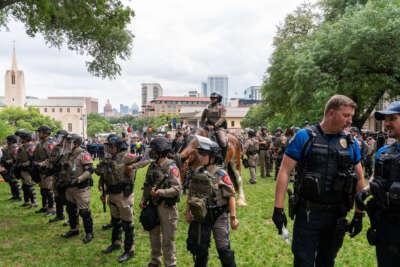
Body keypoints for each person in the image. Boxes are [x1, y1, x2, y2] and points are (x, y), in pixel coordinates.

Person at [273, 95, 365, 267]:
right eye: (346, 115)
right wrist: (278, 209)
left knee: (327, 261)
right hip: (308, 214)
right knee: (303, 261)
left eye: (351, 116)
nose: (350, 121)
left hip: (336, 216)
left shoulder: (351, 143)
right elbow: (284, 171)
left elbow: (360, 179)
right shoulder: (304, 137)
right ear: (331, 113)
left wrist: (359, 214)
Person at [357, 101, 400, 267]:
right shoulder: (383, 152)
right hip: (386, 225)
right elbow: (376, 179)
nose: (386, 123)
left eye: (392, 118)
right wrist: (365, 192)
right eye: (385, 119)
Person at [186, 137, 239, 267]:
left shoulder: (221, 173)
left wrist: (233, 218)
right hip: (201, 216)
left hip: (218, 215)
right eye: (200, 153)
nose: (200, 156)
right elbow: (190, 193)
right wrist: (188, 212)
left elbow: (231, 195)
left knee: (224, 250)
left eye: (204, 154)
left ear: (213, 157)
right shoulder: (197, 172)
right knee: (200, 250)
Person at [97, 135, 150, 263]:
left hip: (123, 195)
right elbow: (104, 171)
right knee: (115, 221)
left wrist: (132, 167)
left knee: (127, 224)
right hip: (112, 193)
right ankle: (115, 243)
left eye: (112, 146)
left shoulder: (126, 156)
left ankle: (129, 250)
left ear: (119, 147)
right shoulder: (110, 158)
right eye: (109, 146)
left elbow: (146, 159)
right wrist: (101, 182)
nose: (110, 149)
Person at [139, 137, 181, 267]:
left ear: (160, 151)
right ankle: (155, 261)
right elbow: (147, 185)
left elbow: (177, 188)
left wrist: (160, 193)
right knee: (154, 236)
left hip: (167, 207)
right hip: (153, 206)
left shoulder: (171, 166)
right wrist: (143, 199)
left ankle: (170, 263)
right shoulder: (152, 166)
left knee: (168, 239)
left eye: (153, 150)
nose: (151, 152)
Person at [60, 134, 94, 244]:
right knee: (70, 209)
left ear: (76, 144)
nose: (67, 145)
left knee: (84, 212)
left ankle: (89, 233)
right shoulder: (67, 154)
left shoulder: (83, 154)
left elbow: (89, 171)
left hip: (81, 187)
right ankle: (74, 229)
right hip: (69, 187)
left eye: (69, 142)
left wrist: (79, 179)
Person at [33, 125, 56, 216]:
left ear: (45, 133)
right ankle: (45, 206)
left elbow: (52, 158)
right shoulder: (40, 143)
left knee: (48, 190)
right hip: (40, 169)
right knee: (43, 189)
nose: (38, 134)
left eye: (40, 132)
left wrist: (42, 164)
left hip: (47, 170)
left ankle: (52, 209)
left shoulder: (50, 143)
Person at [48, 130, 69, 223]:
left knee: (68, 198)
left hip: (65, 176)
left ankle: (71, 219)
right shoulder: (56, 148)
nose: (58, 139)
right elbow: (51, 159)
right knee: (57, 196)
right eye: (57, 137)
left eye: (59, 137)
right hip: (56, 175)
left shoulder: (69, 148)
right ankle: (59, 214)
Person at [200, 92, 228, 158]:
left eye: (214, 98)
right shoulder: (207, 107)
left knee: (223, 141)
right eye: (211, 98)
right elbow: (202, 118)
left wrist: (214, 126)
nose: (212, 99)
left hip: (219, 127)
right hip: (208, 127)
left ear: (218, 99)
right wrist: (204, 126)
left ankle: (223, 159)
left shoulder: (222, 107)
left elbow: (223, 118)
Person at [15, 131, 38, 208]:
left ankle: (34, 202)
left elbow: (32, 159)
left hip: (28, 169)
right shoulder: (22, 147)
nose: (20, 139)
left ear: (26, 139)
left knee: (30, 186)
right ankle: (27, 201)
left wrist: (24, 164)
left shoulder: (31, 146)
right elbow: (18, 157)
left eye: (22, 138)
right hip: (22, 168)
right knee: (24, 186)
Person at [0, 135, 21, 202]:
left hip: (13, 167)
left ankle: (18, 196)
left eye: (7, 140)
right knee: (10, 182)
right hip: (7, 167)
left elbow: (15, 159)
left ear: (11, 141)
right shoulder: (7, 148)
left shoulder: (15, 148)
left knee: (14, 182)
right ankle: (14, 196)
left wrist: (7, 162)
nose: (6, 141)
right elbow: (4, 156)